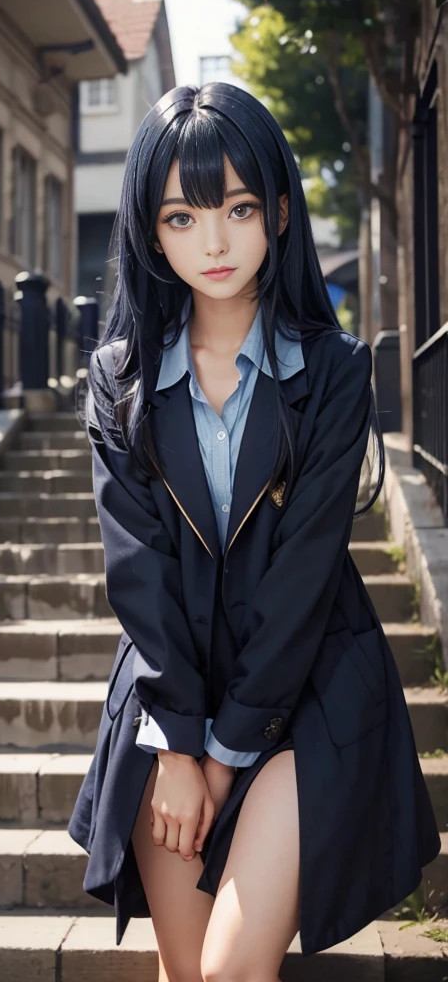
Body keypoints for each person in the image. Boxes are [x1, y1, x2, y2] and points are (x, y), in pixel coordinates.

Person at [68, 83, 441, 982]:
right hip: (172, 701)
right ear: (151, 233)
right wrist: (182, 746)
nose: (216, 240)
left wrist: (227, 756)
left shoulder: (335, 371)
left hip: (307, 694)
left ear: (277, 209)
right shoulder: (120, 382)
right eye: (183, 215)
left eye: (237, 208)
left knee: (233, 971)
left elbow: (304, 576)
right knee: (187, 972)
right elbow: (140, 578)